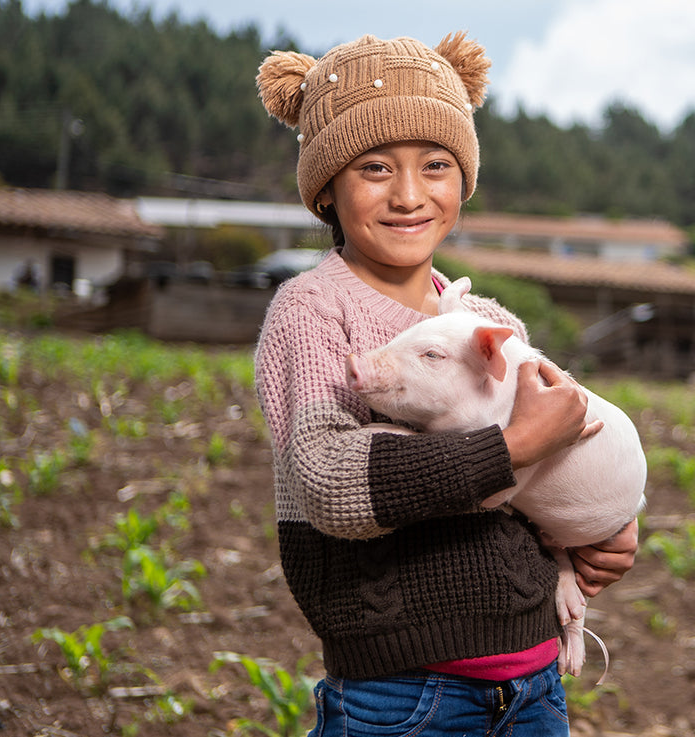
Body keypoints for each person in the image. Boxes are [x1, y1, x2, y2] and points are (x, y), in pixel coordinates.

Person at [253, 31, 640, 736]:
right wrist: (512, 443)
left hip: (534, 680)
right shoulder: (312, 313)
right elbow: (331, 480)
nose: (409, 194)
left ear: (462, 178)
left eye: (436, 164)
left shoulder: (487, 322)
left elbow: (571, 431)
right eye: (373, 167)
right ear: (326, 191)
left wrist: (607, 520)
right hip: (402, 693)